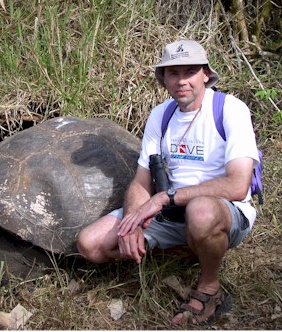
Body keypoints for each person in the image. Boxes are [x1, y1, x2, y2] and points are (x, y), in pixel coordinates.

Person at [76, 40, 260, 326]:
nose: (182, 81)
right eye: (174, 73)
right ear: (164, 79)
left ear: (205, 74)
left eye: (190, 72)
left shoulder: (229, 110)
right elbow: (141, 180)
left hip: (222, 210)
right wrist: (133, 223)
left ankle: (210, 288)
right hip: (169, 213)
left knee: (200, 211)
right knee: (90, 244)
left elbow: (237, 185)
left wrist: (165, 197)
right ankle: (189, 250)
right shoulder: (161, 115)